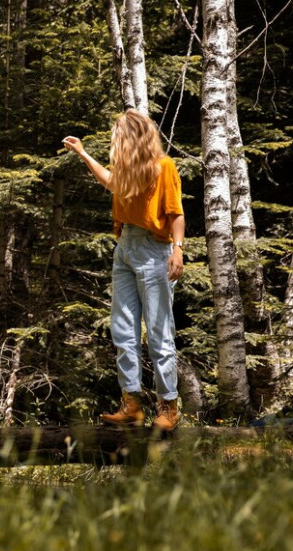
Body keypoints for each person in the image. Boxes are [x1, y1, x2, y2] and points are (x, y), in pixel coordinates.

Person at [63, 109, 185, 431]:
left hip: (154, 251)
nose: (115, 142)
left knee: (159, 332)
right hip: (125, 249)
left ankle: (168, 408)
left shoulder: (164, 167)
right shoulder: (127, 170)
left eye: (119, 137)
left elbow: (175, 214)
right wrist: (82, 152)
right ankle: (131, 403)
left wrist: (178, 250)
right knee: (123, 329)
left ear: (133, 138)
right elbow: (110, 182)